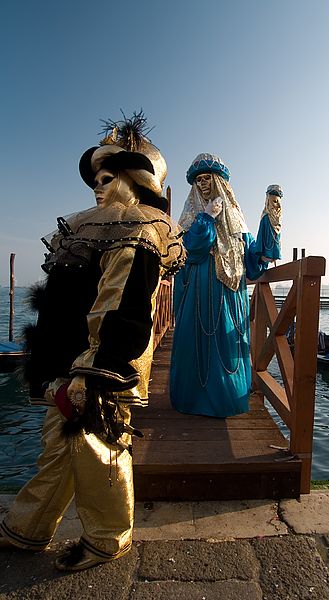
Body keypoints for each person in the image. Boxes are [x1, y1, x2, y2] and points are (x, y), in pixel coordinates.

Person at [0, 112, 185, 571]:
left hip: (98, 363)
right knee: (59, 445)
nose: (98, 187)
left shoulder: (137, 232)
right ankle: (27, 527)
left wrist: (92, 370)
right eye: (96, 180)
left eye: (107, 178)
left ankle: (107, 539)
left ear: (129, 180)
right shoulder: (87, 227)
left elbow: (120, 307)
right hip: (68, 358)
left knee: (99, 447)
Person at [169, 154, 282, 418]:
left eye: (208, 178)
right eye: (198, 180)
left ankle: (227, 397)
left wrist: (271, 222)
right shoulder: (190, 222)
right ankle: (193, 399)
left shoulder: (238, 225)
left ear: (219, 182)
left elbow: (254, 262)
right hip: (196, 296)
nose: (203, 184)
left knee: (227, 347)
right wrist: (207, 218)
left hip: (228, 299)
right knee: (195, 348)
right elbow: (192, 250)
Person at [255, 184, 283, 263]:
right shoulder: (265, 216)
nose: (276, 204)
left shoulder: (279, 217)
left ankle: (274, 254)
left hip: (276, 223)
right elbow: (261, 233)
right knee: (266, 236)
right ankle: (265, 254)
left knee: (276, 237)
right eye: (274, 201)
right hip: (267, 221)